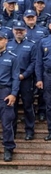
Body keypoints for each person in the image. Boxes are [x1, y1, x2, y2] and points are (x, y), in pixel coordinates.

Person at [8, 21, 37, 141]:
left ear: (25, 31)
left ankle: (30, 131)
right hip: (11, 80)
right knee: (11, 107)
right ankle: (11, 132)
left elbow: (34, 62)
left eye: (21, 30)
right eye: (17, 30)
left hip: (25, 79)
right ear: (13, 31)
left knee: (27, 106)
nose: (19, 32)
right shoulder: (8, 44)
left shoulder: (31, 45)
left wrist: (24, 75)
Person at [0, 31, 20, 162]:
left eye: (1, 39)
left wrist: (13, 94)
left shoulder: (12, 57)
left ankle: (8, 148)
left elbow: (15, 78)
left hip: (5, 92)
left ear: (6, 41)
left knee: (7, 123)